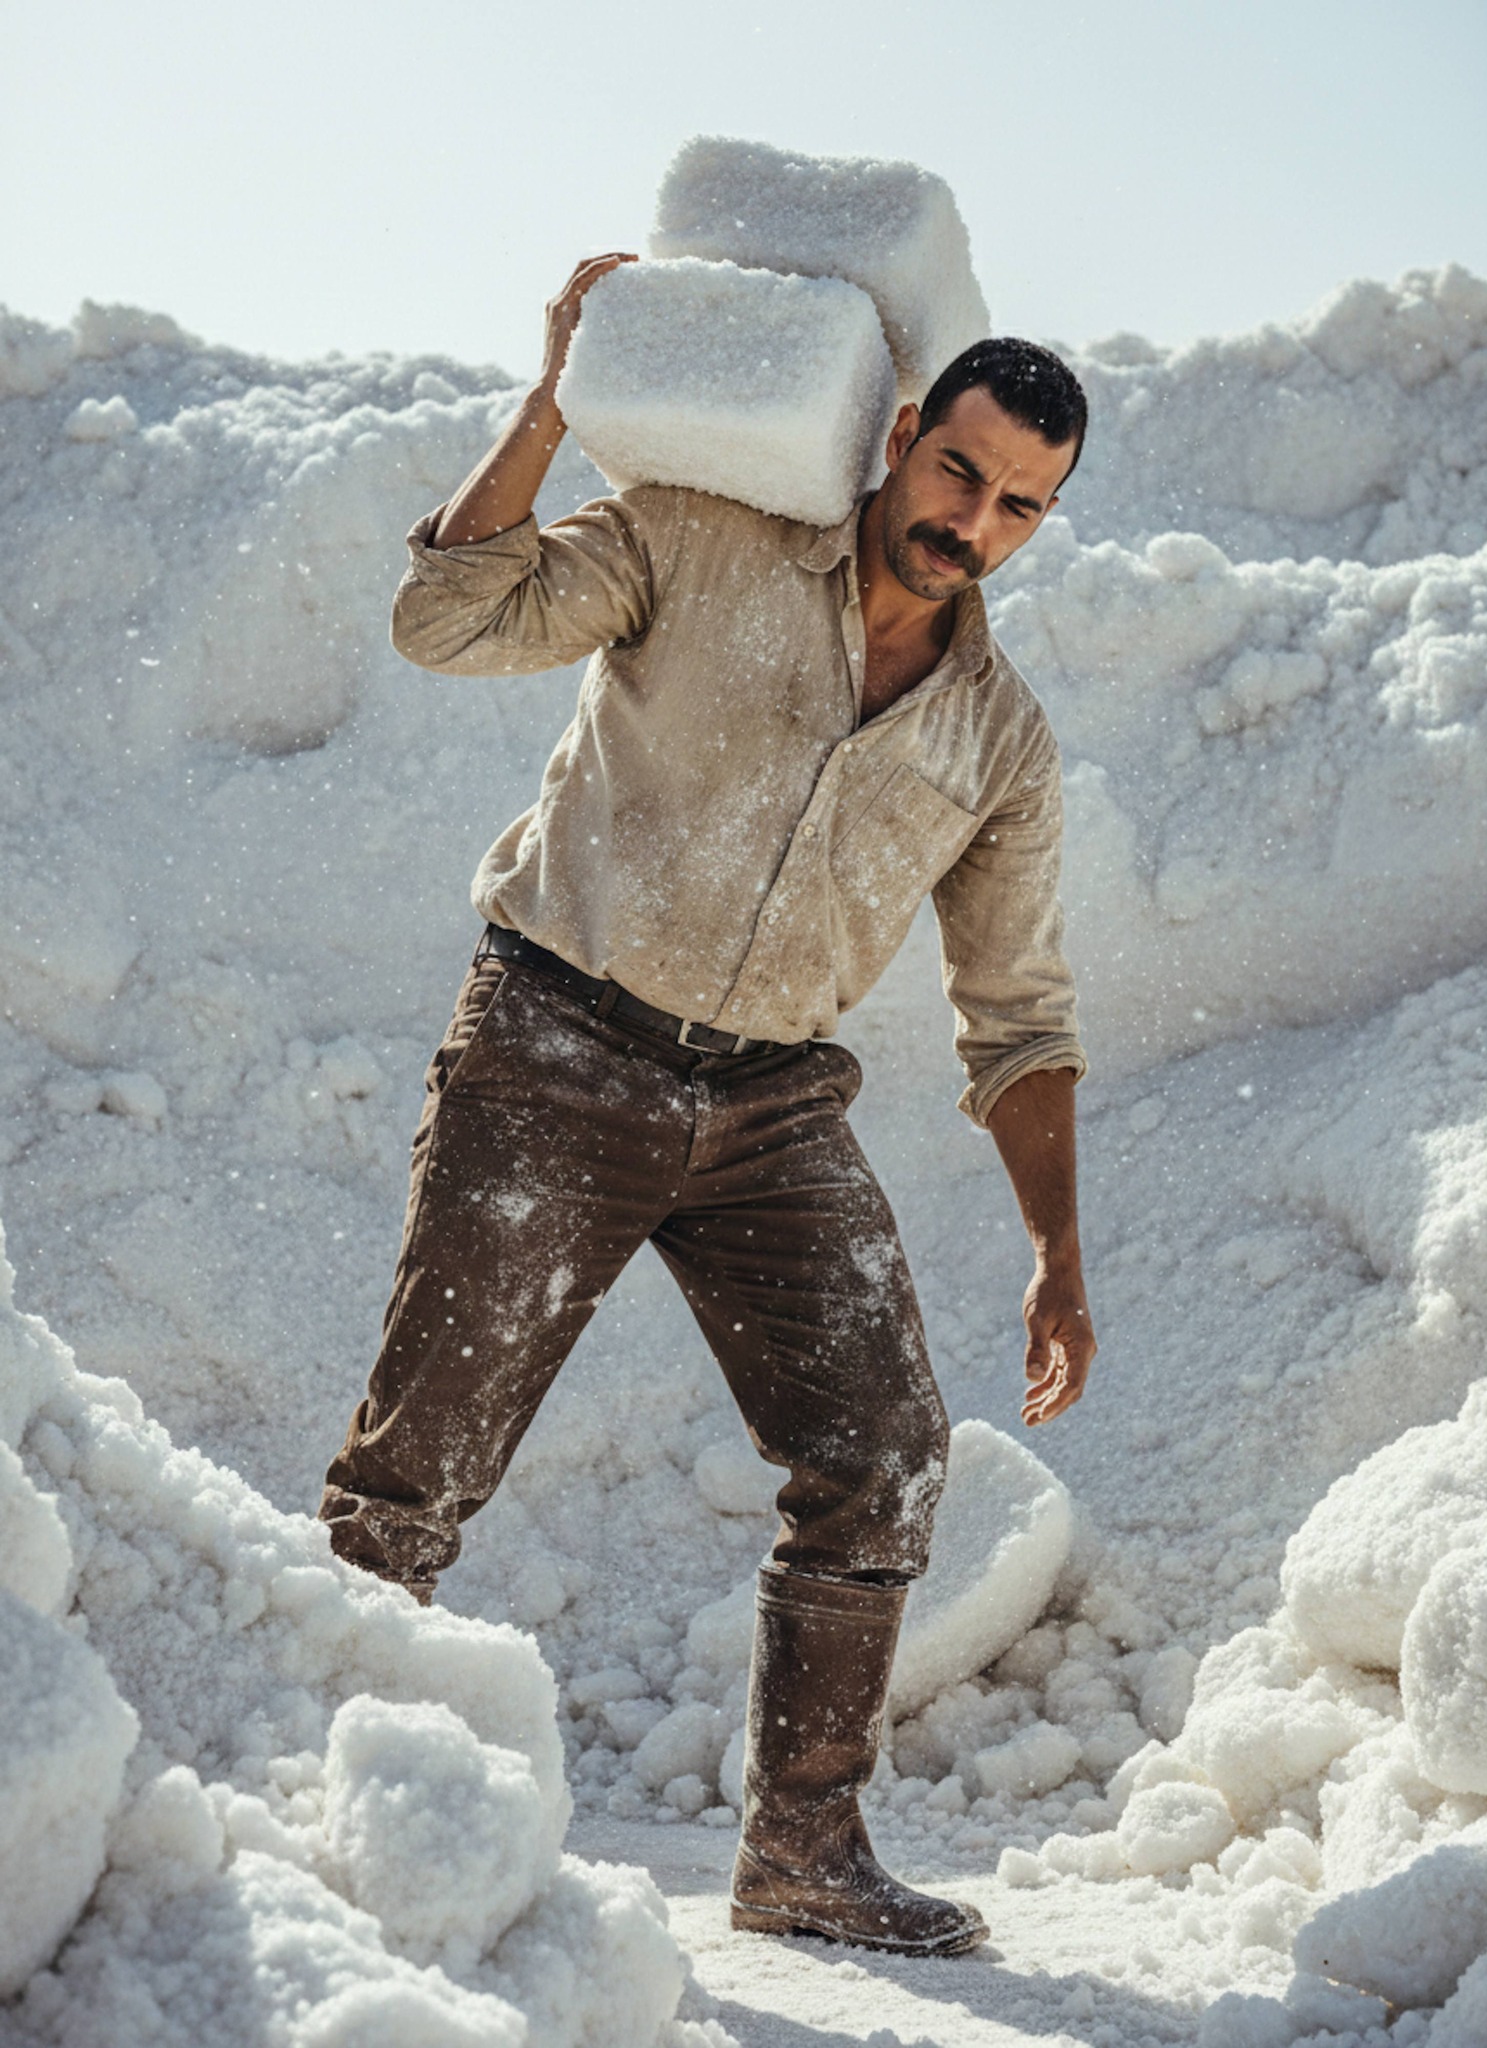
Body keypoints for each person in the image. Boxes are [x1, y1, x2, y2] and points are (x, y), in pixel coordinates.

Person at [319, 252, 1097, 1957]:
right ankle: (308, 1795)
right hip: (555, 1044)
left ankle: (805, 1850)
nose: (975, 518)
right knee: (419, 1464)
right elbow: (444, 616)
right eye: (962, 470)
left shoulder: (1000, 742)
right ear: (902, 434)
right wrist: (551, 408)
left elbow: (1019, 1013)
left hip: (770, 1114)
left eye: (1021, 506)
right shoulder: (701, 531)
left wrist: (1056, 1249)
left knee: (884, 1451)